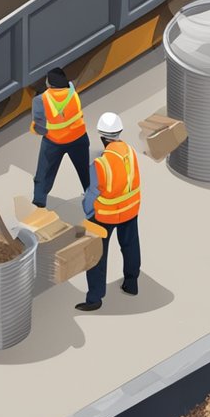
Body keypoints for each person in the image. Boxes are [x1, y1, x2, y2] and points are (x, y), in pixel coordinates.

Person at [78, 112, 141, 312]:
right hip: (131, 210)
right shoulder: (130, 152)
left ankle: (95, 298)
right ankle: (131, 284)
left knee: (96, 256)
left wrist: (88, 213)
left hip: (105, 216)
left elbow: (92, 194)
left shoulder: (100, 164)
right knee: (130, 246)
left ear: (101, 136)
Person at [30, 67, 91, 209]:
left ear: (49, 84)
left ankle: (39, 201)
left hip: (54, 142)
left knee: (44, 172)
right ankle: (91, 198)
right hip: (79, 138)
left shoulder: (40, 100)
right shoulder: (73, 92)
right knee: (84, 171)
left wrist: (36, 129)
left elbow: (40, 127)